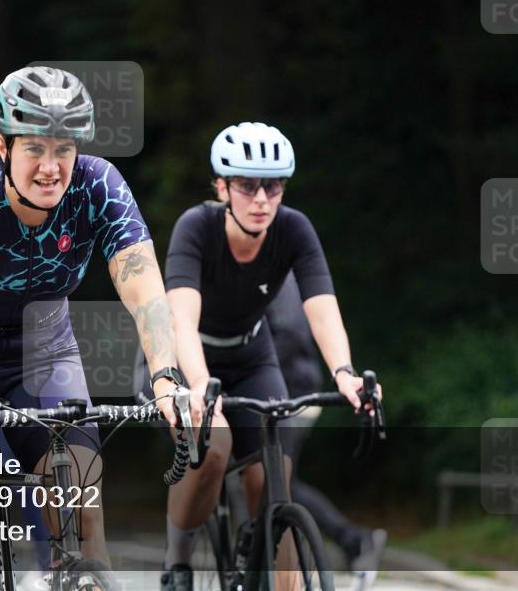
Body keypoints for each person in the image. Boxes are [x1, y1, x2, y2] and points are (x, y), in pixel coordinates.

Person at [0, 66, 199, 591]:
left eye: (64, 149)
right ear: (3, 146)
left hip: (44, 356)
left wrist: (166, 378)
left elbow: (145, 288)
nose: (51, 167)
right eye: (35, 148)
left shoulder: (98, 184)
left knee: (82, 502)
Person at [156, 121, 383, 591]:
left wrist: (345, 373)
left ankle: (265, 556)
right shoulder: (196, 227)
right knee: (213, 449)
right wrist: (198, 387)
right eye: (247, 186)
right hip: (185, 356)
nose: (261, 199)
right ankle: (177, 562)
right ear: (222, 188)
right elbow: (181, 323)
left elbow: (323, 310)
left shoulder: (294, 228)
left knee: (273, 472)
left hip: (251, 354)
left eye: (273, 186)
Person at [266, 272, 387, 591]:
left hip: (290, 393)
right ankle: (353, 540)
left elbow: (290, 331)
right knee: (277, 482)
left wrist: (254, 367)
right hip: (282, 391)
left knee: (277, 482)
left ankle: (354, 540)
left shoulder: (275, 271)